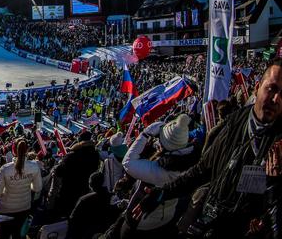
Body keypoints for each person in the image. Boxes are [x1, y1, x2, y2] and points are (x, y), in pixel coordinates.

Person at [135, 58, 282, 237]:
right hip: (211, 221)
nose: (276, 99)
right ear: (258, 86)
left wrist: (273, 186)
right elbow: (203, 169)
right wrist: (161, 193)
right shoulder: (235, 122)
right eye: (272, 88)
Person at [121, 114, 197, 238]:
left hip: (143, 223)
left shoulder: (159, 170)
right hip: (167, 217)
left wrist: (146, 133)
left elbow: (127, 162)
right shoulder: (192, 161)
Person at [0, 138, 43, 239]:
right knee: (19, 236)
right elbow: (37, 188)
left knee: (5, 236)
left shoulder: (5, 169)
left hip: (5, 209)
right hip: (24, 207)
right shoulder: (34, 166)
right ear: (27, 150)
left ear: (13, 150)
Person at [52, 130, 100, 218]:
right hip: (85, 190)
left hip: (69, 191)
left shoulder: (72, 155)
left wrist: (61, 161)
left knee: (64, 216)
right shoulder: (96, 154)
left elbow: (59, 172)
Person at [67, 171, 120, 239]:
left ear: (90, 184)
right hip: (104, 233)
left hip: (86, 234)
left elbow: (73, 220)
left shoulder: (84, 199)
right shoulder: (112, 197)